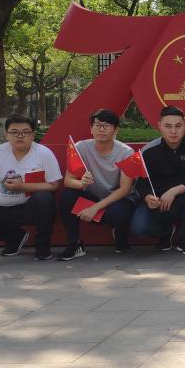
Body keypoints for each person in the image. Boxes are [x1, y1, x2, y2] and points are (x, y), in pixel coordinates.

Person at [0, 114, 62, 260]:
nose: (20, 136)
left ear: (33, 135)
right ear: (6, 135)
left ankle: (43, 247)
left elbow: (54, 185)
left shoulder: (44, 153)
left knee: (45, 198)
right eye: (14, 132)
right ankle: (15, 237)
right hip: (2, 206)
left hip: (31, 207)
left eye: (25, 132)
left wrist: (22, 186)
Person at [58, 109, 137, 260]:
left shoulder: (126, 152)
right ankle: (74, 243)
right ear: (91, 129)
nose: (101, 129)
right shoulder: (81, 148)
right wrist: (80, 183)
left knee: (119, 214)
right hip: (92, 197)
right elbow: (68, 180)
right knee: (68, 195)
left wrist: (95, 208)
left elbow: (125, 189)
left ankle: (120, 232)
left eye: (106, 125)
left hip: (117, 199)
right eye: (97, 125)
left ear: (116, 130)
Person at [131, 105, 185, 255]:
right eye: (168, 126)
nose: (173, 131)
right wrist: (147, 197)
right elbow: (139, 182)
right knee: (139, 228)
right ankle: (166, 231)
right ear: (159, 126)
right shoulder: (148, 151)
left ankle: (184, 239)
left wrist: (174, 191)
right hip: (158, 202)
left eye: (178, 126)